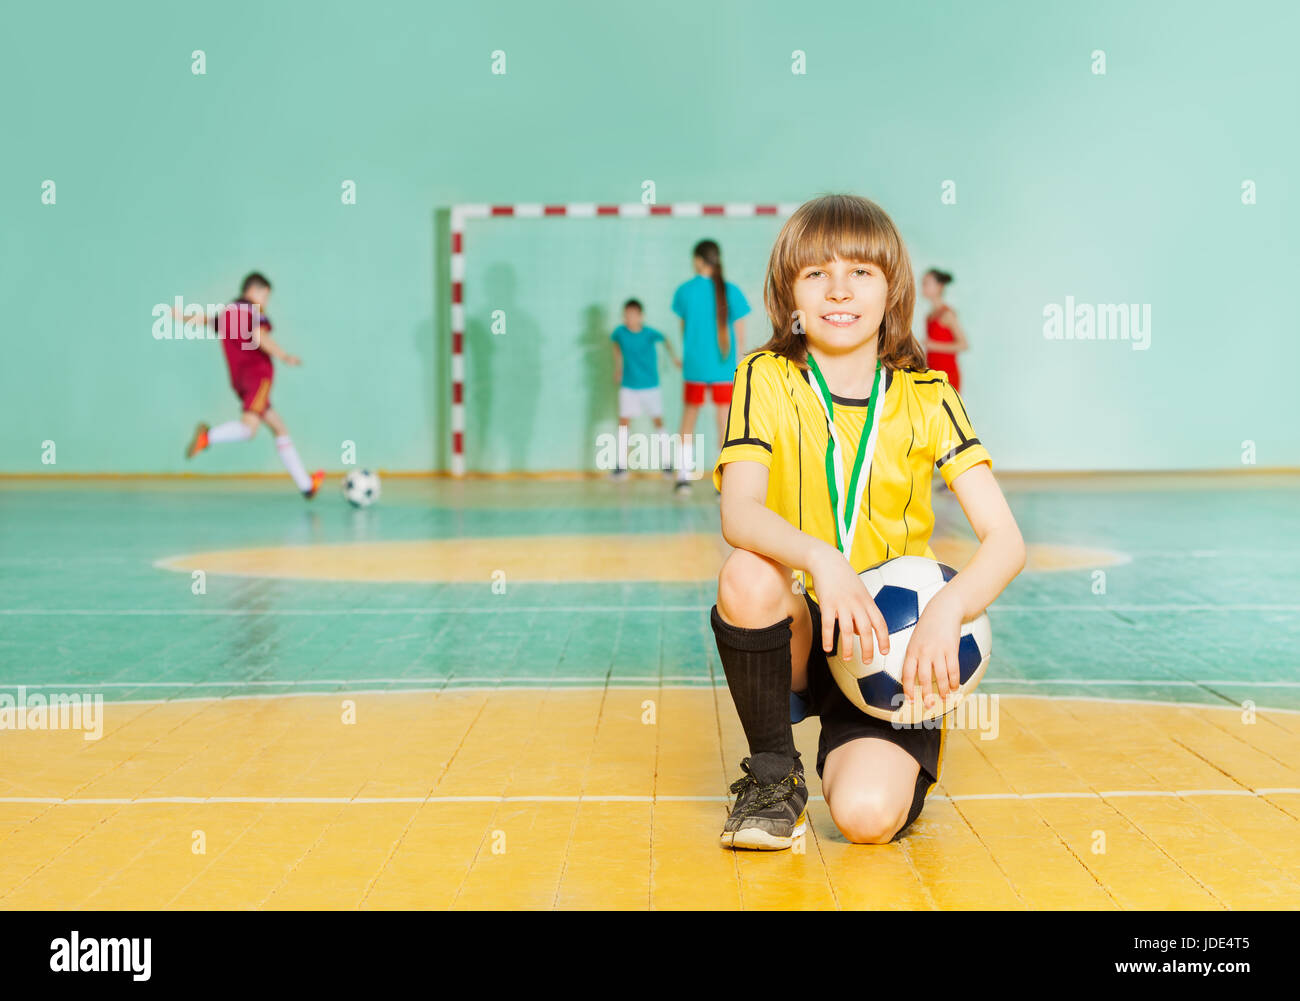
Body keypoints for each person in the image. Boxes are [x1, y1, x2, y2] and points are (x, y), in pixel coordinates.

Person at [710, 195, 1025, 850]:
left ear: (893, 290)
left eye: (861, 272)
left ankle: (869, 748)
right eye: (816, 273)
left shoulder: (928, 396)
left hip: (893, 648)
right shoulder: (764, 377)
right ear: (787, 292)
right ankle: (773, 779)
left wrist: (947, 609)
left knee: (865, 818)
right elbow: (738, 511)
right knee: (747, 573)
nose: (838, 290)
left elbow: (1006, 541)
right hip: (805, 624)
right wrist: (824, 559)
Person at [180, 272, 325, 498]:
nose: (266, 301)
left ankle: (306, 486)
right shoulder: (254, 311)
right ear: (255, 291)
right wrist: (285, 356)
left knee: (278, 427)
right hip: (258, 377)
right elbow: (260, 338)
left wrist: (179, 316)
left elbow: (205, 320)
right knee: (248, 429)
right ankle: (208, 437)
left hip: (239, 380)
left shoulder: (228, 312)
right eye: (266, 296)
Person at [670, 240, 750, 492]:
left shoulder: (684, 291)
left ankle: (683, 478)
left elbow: (683, 329)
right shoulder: (732, 290)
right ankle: (724, 484)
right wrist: (737, 361)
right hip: (723, 366)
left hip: (695, 365)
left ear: (698, 260)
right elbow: (739, 332)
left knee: (688, 420)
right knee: (725, 424)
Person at [610, 298, 680, 479]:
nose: (629, 318)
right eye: (626, 315)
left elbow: (666, 339)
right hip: (628, 386)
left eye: (633, 315)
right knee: (624, 422)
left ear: (641, 316)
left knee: (658, 421)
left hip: (650, 386)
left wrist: (673, 358)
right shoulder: (620, 333)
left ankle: (667, 464)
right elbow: (616, 347)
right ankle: (621, 466)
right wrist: (618, 368)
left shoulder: (649, 333)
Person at [921, 269, 968, 391]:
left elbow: (963, 344)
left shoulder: (947, 314)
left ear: (939, 287)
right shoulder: (929, 315)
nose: (923, 286)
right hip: (932, 374)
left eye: (927, 283)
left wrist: (933, 345)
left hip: (947, 375)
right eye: (923, 283)